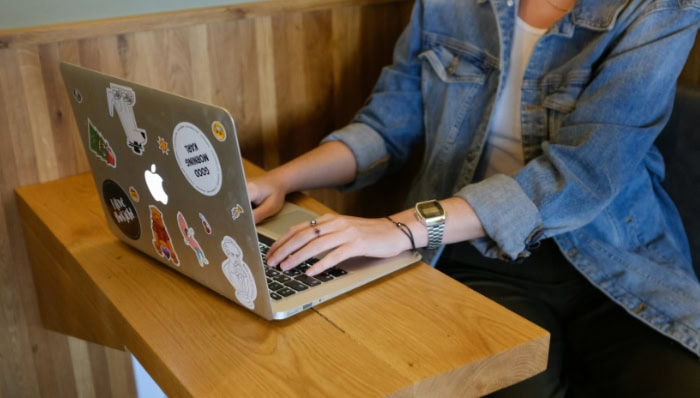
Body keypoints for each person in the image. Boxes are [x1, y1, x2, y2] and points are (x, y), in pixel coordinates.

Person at [248, 0, 700, 396]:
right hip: (476, 253)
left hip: (615, 255)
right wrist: (283, 179)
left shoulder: (661, 7)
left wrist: (400, 228)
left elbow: (581, 175)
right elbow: (386, 127)